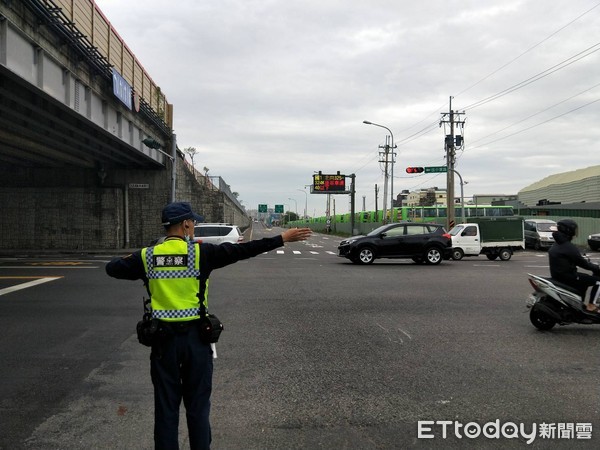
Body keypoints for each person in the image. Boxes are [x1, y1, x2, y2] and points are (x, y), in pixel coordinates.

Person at [105, 202, 311, 449]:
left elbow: (112, 268)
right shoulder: (202, 254)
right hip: (196, 341)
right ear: (185, 224)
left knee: (166, 408)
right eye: (194, 223)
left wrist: (137, 259)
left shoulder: (147, 257)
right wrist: (281, 238)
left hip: (163, 343)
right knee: (198, 408)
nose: (195, 227)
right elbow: (245, 251)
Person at [548, 218, 600, 313]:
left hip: (560, 275)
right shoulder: (567, 246)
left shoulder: (558, 244)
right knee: (598, 281)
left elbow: (575, 259)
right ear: (568, 230)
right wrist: (597, 268)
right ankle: (591, 305)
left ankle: (579, 304)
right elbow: (582, 263)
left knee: (585, 281)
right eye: (574, 230)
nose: (575, 232)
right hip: (568, 276)